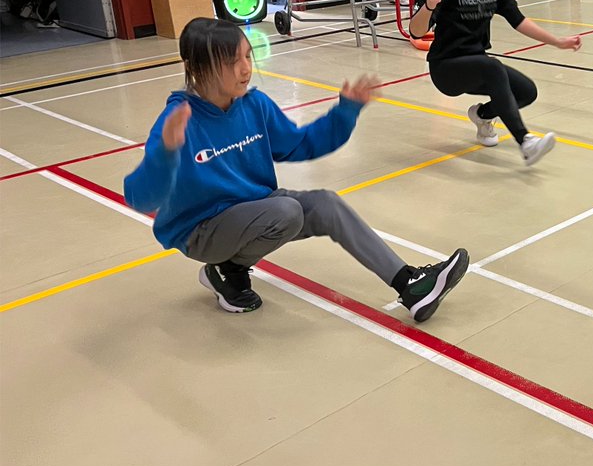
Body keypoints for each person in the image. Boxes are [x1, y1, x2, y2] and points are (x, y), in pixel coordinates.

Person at [123, 17, 470, 319]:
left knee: (325, 204)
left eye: (247, 56)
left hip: (252, 211)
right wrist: (166, 152)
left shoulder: (254, 104)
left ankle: (408, 284)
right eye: (232, 61)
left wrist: (344, 112)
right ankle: (227, 267)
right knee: (286, 211)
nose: (245, 68)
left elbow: (300, 144)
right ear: (197, 67)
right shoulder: (177, 121)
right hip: (200, 231)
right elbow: (140, 197)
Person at [385, 0, 581, 166]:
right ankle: (526, 142)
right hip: (446, 67)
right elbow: (416, 31)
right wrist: (428, 6)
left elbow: (518, 20)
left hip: (477, 61)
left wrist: (558, 41)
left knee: (526, 92)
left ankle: (482, 115)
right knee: (493, 68)